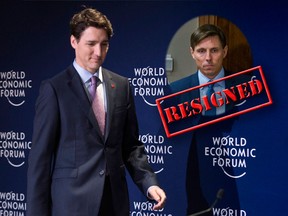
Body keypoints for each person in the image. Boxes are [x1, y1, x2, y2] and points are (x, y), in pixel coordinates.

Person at [26, 7, 166, 216]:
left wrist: (149, 184)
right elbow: (40, 161)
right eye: (91, 44)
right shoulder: (54, 89)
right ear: (74, 41)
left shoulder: (122, 85)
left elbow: (131, 146)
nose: (98, 52)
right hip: (72, 206)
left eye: (104, 44)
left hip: (115, 204)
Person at [168, 24, 248, 215]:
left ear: (225, 51)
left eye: (214, 50)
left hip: (236, 178)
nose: (208, 58)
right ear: (192, 53)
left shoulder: (245, 86)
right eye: (201, 51)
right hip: (193, 182)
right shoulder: (177, 91)